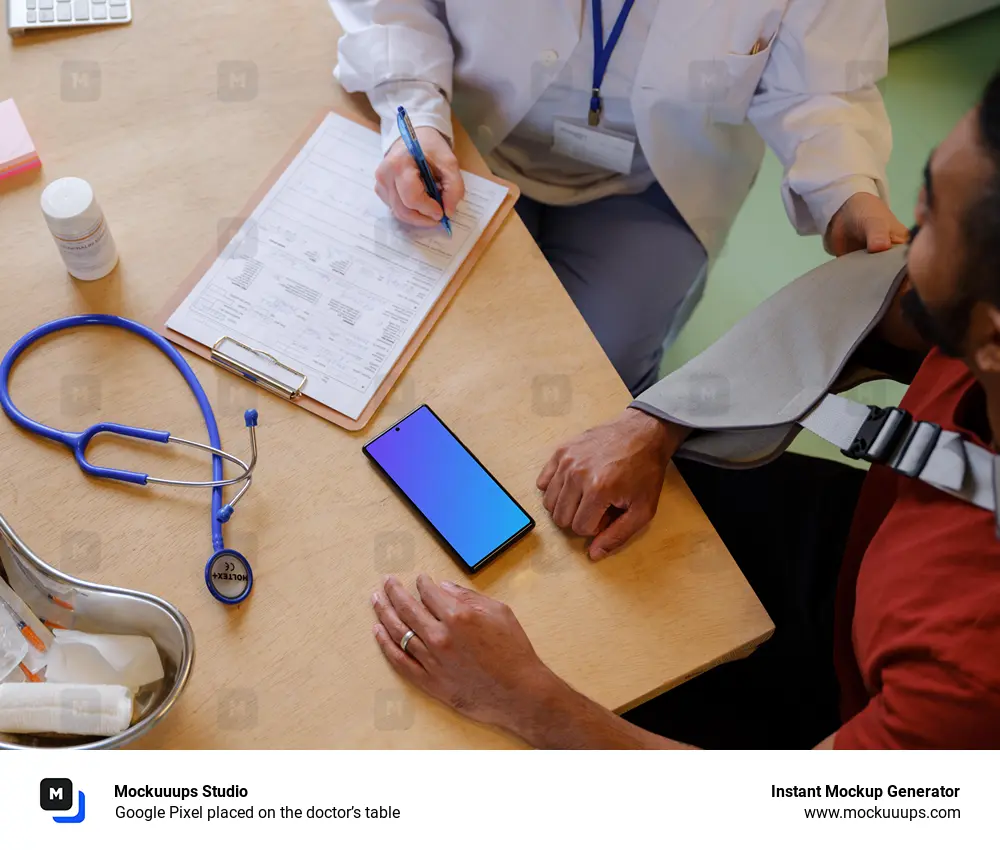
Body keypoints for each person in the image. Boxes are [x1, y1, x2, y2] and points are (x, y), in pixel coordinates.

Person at [367, 71, 1000, 749]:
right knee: (584, 518)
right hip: (864, 540)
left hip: (854, 708)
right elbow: (878, 306)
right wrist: (655, 423)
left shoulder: (969, 672)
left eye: (929, 216)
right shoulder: (979, 324)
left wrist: (528, 700)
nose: (910, 227)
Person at [329, 1, 907, 395]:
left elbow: (820, 82)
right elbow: (393, 5)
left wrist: (847, 189)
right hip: (465, 133)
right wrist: (417, 116)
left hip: (658, 173)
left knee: (596, 380)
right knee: (424, 342)